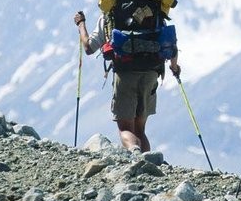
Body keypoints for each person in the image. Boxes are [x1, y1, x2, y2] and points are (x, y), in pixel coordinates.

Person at [74, 11, 180, 153]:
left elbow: (88, 47)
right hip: (151, 71)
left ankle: (134, 152)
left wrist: (81, 24)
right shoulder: (154, 11)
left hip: (125, 71)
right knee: (140, 129)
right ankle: (149, 162)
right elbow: (170, 43)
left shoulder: (109, 16)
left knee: (125, 127)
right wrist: (174, 67)